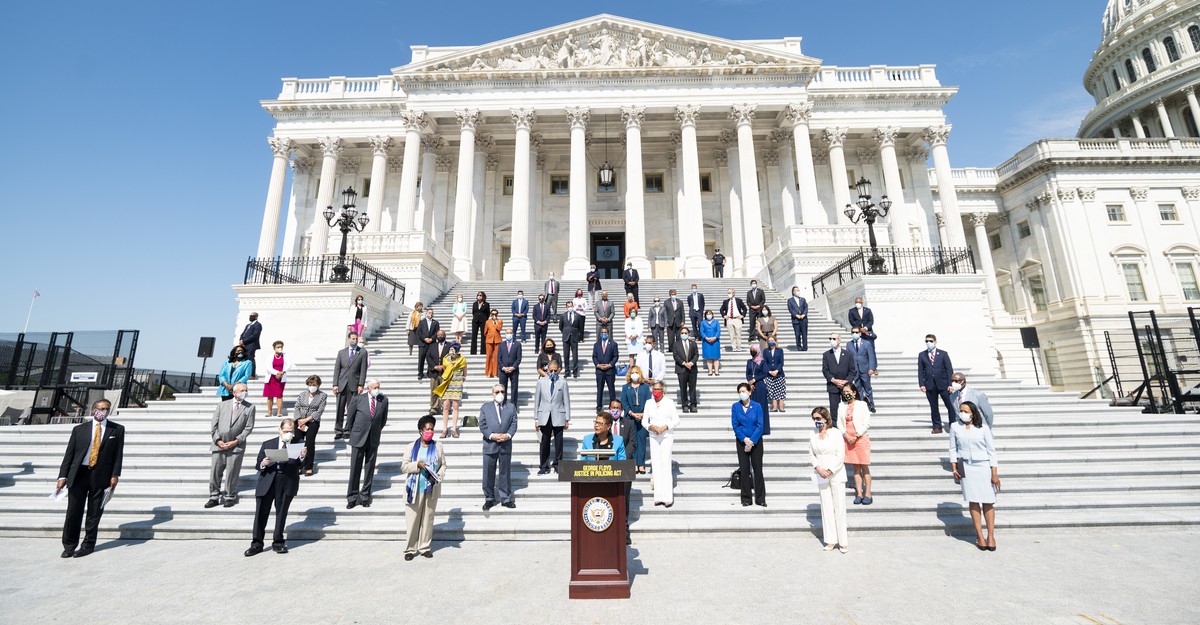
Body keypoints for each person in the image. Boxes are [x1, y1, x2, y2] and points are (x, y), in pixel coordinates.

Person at [55, 399, 124, 558]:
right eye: (100, 408)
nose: (103, 411)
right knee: (73, 511)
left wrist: (115, 474)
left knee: (94, 513)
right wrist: (62, 476)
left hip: (100, 475)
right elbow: (69, 455)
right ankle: (69, 545)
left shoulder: (117, 430)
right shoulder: (79, 430)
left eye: (106, 409)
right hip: (79, 474)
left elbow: (118, 455)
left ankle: (88, 545)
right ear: (93, 410)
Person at [246, 418, 305, 556]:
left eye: (291, 431)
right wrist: (263, 463)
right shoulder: (268, 443)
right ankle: (257, 543)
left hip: (286, 481)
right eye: (286, 431)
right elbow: (258, 465)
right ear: (280, 430)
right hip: (268, 480)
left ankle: (278, 542)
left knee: (281, 512)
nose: (288, 434)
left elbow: (302, 464)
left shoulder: (298, 444)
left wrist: (302, 457)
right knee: (261, 512)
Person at [950, 400, 1001, 551]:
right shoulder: (955, 427)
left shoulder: (983, 429)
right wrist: (954, 468)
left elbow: (992, 451)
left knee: (988, 501)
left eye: (966, 411)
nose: (962, 413)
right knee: (973, 501)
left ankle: (991, 536)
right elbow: (953, 448)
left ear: (973, 413)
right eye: (961, 410)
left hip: (983, 466)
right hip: (966, 466)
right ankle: (979, 536)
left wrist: (994, 473)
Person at [401, 414, 446, 560]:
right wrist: (417, 465)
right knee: (412, 520)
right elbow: (404, 466)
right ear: (421, 430)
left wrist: (439, 475)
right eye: (427, 429)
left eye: (432, 429)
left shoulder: (438, 446)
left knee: (428, 519)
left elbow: (443, 465)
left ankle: (425, 546)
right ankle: (410, 549)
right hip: (414, 489)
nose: (430, 432)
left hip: (431, 488)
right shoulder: (411, 447)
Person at [207, 382, 255, 508]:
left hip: (236, 446)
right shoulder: (222, 405)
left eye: (246, 390)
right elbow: (214, 425)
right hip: (219, 445)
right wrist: (218, 440)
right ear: (234, 392)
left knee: (232, 473)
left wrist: (236, 441)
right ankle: (214, 496)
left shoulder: (249, 407)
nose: (245, 392)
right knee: (215, 472)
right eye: (242, 390)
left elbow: (248, 428)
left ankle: (229, 496)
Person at [810, 406, 848, 553]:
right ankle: (831, 540)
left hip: (836, 473)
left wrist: (830, 470)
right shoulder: (813, 434)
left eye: (818, 418)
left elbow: (841, 454)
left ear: (825, 418)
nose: (816, 421)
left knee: (839, 508)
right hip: (821, 474)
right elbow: (812, 454)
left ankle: (843, 541)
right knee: (826, 508)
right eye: (814, 419)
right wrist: (818, 468)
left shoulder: (836, 433)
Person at [345, 379, 388, 509]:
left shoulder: (383, 400)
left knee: (369, 469)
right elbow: (350, 419)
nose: (377, 389)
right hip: (358, 438)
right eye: (375, 387)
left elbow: (383, 420)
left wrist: (375, 431)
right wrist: (353, 433)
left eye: (378, 387)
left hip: (373, 438)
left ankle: (365, 496)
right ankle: (352, 496)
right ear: (368, 388)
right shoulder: (358, 399)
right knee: (355, 468)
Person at [480, 383, 518, 509]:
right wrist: (492, 436)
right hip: (490, 444)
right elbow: (482, 425)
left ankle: (506, 498)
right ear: (492, 393)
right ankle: (489, 497)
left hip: (505, 444)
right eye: (497, 392)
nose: (500, 394)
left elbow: (514, 424)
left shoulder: (511, 407)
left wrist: (508, 435)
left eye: (502, 391)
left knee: (505, 472)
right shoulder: (485, 407)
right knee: (488, 473)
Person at [606, 400, 638, 544]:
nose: (615, 410)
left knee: (623, 497)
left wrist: (622, 456)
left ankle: (624, 529)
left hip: (624, 466)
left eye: (618, 408)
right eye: (613, 408)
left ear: (622, 410)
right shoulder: (603, 423)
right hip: (607, 466)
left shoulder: (629, 424)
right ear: (609, 409)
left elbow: (632, 442)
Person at [644, 381, 680, 507]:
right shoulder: (649, 402)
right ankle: (658, 496)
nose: (656, 391)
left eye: (658, 389)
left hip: (666, 435)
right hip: (654, 435)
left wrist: (665, 427)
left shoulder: (669, 402)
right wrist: (651, 427)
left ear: (663, 390)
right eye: (654, 389)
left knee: (665, 463)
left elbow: (676, 420)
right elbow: (644, 420)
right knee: (656, 464)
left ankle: (667, 496)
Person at [838, 382, 872, 505]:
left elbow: (866, 423)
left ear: (854, 392)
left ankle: (868, 493)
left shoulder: (862, 405)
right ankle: (859, 493)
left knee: (864, 466)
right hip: (848, 439)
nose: (846, 394)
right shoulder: (841, 406)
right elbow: (839, 423)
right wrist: (846, 435)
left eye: (848, 392)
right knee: (855, 468)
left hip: (860, 438)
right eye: (844, 392)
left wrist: (857, 435)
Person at [732, 383, 766, 507]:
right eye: (739, 391)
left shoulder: (757, 406)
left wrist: (751, 441)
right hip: (742, 442)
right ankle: (746, 498)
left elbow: (760, 425)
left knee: (758, 470)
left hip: (756, 442)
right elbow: (735, 425)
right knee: (745, 470)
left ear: (749, 392)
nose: (742, 393)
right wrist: (744, 440)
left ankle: (760, 498)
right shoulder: (735, 406)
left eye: (744, 391)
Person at [534, 362, 571, 474]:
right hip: (544, 415)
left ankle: (558, 464)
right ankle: (544, 466)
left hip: (559, 415)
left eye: (555, 370)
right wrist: (536, 418)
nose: (553, 372)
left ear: (559, 370)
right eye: (551, 370)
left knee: (559, 442)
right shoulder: (541, 382)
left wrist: (567, 418)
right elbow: (537, 401)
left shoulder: (563, 382)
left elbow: (566, 401)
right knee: (544, 441)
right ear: (547, 370)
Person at [332, 332, 369, 441]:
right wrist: (335, 384)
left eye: (356, 339)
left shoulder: (362, 352)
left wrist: (361, 384)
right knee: (340, 408)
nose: (354, 340)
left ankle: (348, 429)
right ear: (348, 339)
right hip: (342, 384)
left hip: (354, 384)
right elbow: (337, 369)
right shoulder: (341, 353)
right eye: (352, 338)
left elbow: (363, 370)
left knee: (351, 409)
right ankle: (338, 430)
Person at [918, 333, 956, 433]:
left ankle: (953, 425)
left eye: (930, 341)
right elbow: (920, 371)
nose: (928, 343)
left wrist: (950, 384)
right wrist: (921, 384)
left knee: (950, 406)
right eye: (926, 341)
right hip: (930, 385)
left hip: (943, 384)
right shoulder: (922, 355)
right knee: (934, 407)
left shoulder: (943, 354)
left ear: (935, 342)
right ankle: (937, 426)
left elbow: (949, 370)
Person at [619, 366, 652, 474]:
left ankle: (641, 464)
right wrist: (632, 413)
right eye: (632, 372)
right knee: (631, 442)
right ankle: (632, 463)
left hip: (643, 417)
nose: (634, 374)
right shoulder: (626, 387)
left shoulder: (645, 387)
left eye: (636, 372)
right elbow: (624, 402)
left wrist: (643, 414)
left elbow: (649, 401)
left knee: (641, 441)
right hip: (630, 417)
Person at [294, 375, 327, 476]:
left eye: (314, 385)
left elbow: (319, 411)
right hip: (300, 420)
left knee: (309, 443)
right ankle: (298, 465)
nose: (312, 386)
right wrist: (299, 419)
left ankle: (309, 466)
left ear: (318, 385)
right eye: (310, 384)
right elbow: (297, 407)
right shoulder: (302, 394)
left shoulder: (322, 395)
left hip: (312, 421)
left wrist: (307, 419)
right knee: (298, 443)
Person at [821, 333, 857, 422]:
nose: (832, 341)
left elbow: (852, 370)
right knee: (834, 409)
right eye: (830, 339)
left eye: (834, 338)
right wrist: (834, 380)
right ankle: (835, 427)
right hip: (833, 386)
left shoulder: (848, 354)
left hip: (846, 387)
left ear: (839, 340)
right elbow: (825, 370)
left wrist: (846, 382)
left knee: (847, 406)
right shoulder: (826, 354)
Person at [433, 343, 467, 438]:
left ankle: (454, 429)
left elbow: (465, 373)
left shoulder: (462, 360)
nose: (451, 352)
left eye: (453, 350)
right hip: (447, 384)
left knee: (455, 406)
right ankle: (444, 429)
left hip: (457, 384)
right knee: (446, 406)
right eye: (450, 350)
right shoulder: (446, 359)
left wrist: (460, 379)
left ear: (457, 351)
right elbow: (444, 369)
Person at [848, 327, 879, 413]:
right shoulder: (849, 344)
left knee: (867, 388)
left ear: (860, 333)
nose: (855, 334)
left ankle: (871, 405)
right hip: (855, 369)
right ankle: (861, 404)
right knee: (858, 388)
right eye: (853, 332)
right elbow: (848, 357)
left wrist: (872, 368)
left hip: (865, 369)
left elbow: (871, 356)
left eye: (856, 332)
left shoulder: (866, 343)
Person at [744, 345, 772, 436]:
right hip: (751, 387)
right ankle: (753, 428)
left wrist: (755, 380)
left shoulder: (762, 362)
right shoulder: (749, 361)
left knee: (761, 407)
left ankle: (763, 428)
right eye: (751, 350)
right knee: (751, 407)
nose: (752, 351)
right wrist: (750, 382)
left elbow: (765, 373)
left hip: (760, 386)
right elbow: (747, 373)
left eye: (753, 350)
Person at [673, 328, 700, 413]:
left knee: (692, 387)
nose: (683, 334)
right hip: (681, 369)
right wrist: (684, 363)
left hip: (692, 369)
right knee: (683, 387)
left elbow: (696, 355)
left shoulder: (693, 343)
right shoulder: (676, 344)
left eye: (685, 333)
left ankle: (693, 404)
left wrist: (691, 363)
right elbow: (675, 356)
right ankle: (685, 405)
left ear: (688, 334)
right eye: (682, 333)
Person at [593, 328, 620, 411]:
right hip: (600, 371)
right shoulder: (596, 344)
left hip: (609, 370)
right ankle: (599, 406)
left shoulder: (613, 344)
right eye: (602, 332)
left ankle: (613, 406)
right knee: (599, 389)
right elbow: (594, 356)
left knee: (611, 389)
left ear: (608, 333)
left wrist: (610, 365)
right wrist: (598, 365)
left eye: (605, 332)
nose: (603, 334)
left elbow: (616, 356)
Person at [425, 330, 452, 413]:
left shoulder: (450, 346)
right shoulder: (432, 346)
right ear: (436, 336)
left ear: (445, 336)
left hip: (445, 372)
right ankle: (434, 407)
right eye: (439, 335)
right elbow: (428, 357)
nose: (440, 336)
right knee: (434, 390)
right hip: (434, 372)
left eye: (442, 335)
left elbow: (452, 357)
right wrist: (435, 366)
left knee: (445, 391)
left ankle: (445, 407)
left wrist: (444, 366)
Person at [262, 340, 289, 417]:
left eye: (281, 347)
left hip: (281, 378)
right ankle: (269, 412)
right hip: (271, 378)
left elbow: (288, 365)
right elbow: (268, 367)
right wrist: (276, 372)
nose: (280, 348)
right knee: (269, 396)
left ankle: (279, 412)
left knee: (279, 395)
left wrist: (282, 372)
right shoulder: (270, 356)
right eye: (278, 347)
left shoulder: (286, 356)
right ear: (274, 348)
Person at [559, 300, 585, 377]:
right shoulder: (563, 315)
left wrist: (577, 334)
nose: (570, 307)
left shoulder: (577, 315)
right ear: (566, 307)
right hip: (566, 337)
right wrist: (565, 332)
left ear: (573, 306)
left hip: (574, 337)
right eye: (568, 306)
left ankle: (575, 371)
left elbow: (580, 327)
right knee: (566, 354)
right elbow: (561, 327)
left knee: (575, 354)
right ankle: (567, 371)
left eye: (571, 306)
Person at [497, 326, 522, 406]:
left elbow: (519, 358)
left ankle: (513, 406)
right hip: (503, 371)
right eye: (507, 333)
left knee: (514, 389)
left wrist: (513, 367)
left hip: (514, 370)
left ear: (513, 334)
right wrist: (503, 367)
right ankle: (503, 404)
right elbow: (499, 358)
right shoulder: (501, 345)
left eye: (510, 333)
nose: (509, 334)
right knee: (502, 389)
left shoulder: (517, 344)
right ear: (505, 334)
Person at [414, 308, 439, 381]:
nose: (430, 314)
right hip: (423, 343)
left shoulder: (436, 322)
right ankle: (420, 373)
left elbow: (437, 333)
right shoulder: (422, 322)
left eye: (432, 313)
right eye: (429, 312)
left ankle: (430, 373)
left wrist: (432, 339)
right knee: (421, 358)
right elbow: (419, 332)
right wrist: (424, 338)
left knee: (431, 359)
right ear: (426, 313)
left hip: (432, 344)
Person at [720, 287, 747, 354]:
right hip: (729, 319)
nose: (729, 294)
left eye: (730, 293)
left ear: (733, 293)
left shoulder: (739, 300)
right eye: (728, 293)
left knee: (738, 333)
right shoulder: (726, 301)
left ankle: (739, 346)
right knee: (732, 334)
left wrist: (742, 315)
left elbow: (745, 308)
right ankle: (734, 347)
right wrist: (724, 315)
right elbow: (721, 309)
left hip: (737, 319)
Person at [763, 339, 786, 413]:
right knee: (771, 391)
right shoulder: (766, 351)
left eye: (772, 340)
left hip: (779, 374)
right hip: (769, 374)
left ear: (775, 341)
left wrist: (776, 370)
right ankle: (774, 407)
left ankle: (781, 407)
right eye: (769, 340)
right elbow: (765, 362)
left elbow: (781, 362)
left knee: (781, 390)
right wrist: (769, 371)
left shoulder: (780, 350)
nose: (770, 342)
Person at [238, 312, 262, 379]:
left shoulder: (258, 325)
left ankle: (252, 374)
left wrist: (244, 341)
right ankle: (244, 373)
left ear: (256, 316)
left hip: (251, 345)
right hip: (244, 345)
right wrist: (241, 340)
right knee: (243, 359)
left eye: (252, 315)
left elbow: (255, 335)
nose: (251, 316)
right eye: (250, 315)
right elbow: (243, 333)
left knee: (250, 358)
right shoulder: (248, 325)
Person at [786, 286, 809, 351]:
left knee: (804, 334)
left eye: (799, 290)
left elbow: (806, 307)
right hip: (795, 320)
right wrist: (796, 315)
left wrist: (804, 314)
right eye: (796, 290)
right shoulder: (790, 300)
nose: (798, 292)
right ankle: (799, 346)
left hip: (803, 319)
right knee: (797, 334)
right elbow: (790, 309)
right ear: (793, 292)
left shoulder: (803, 299)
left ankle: (805, 347)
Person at [700, 309, 722, 376]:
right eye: (707, 314)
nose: (708, 315)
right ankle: (710, 371)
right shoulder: (703, 322)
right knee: (708, 357)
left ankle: (716, 371)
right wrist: (706, 338)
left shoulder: (716, 322)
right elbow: (701, 331)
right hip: (706, 342)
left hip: (715, 341)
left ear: (712, 315)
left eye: (710, 314)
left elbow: (718, 330)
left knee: (716, 357)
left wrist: (715, 337)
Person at [484, 309, 503, 378]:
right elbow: (485, 332)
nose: (494, 315)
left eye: (495, 314)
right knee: (489, 356)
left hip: (497, 340)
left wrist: (496, 322)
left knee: (496, 357)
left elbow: (499, 329)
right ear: (491, 315)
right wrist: (489, 336)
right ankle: (488, 373)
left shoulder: (500, 321)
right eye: (492, 314)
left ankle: (495, 373)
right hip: (489, 340)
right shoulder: (487, 322)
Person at [470, 291, 491, 356]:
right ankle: (473, 352)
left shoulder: (486, 304)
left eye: (480, 295)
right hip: (475, 321)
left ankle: (483, 351)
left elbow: (488, 313)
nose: (479, 296)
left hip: (483, 320)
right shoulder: (474, 304)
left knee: (483, 336)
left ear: (483, 297)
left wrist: (484, 318)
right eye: (478, 295)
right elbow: (473, 312)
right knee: (474, 336)